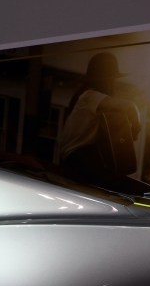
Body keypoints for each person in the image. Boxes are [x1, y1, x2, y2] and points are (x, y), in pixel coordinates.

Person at [57, 52, 142, 188]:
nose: (113, 83)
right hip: (78, 159)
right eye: (112, 79)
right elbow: (129, 106)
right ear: (105, 79)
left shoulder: (94, 101)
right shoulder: (90, 96)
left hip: (81, 159)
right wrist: (136, 129)